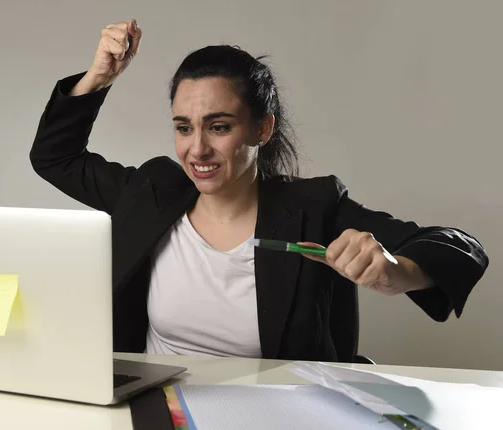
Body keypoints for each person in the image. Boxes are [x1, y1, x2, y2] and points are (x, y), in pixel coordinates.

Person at [29, 19, 488, 362]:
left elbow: (461, 249)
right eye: (183, 127)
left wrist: (397, 270)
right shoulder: (151, 191)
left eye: (220, 126)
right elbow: (55, 157)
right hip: (154, 407)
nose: (198, 149)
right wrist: (97, 80)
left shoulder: (313, 208)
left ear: (261, 129)